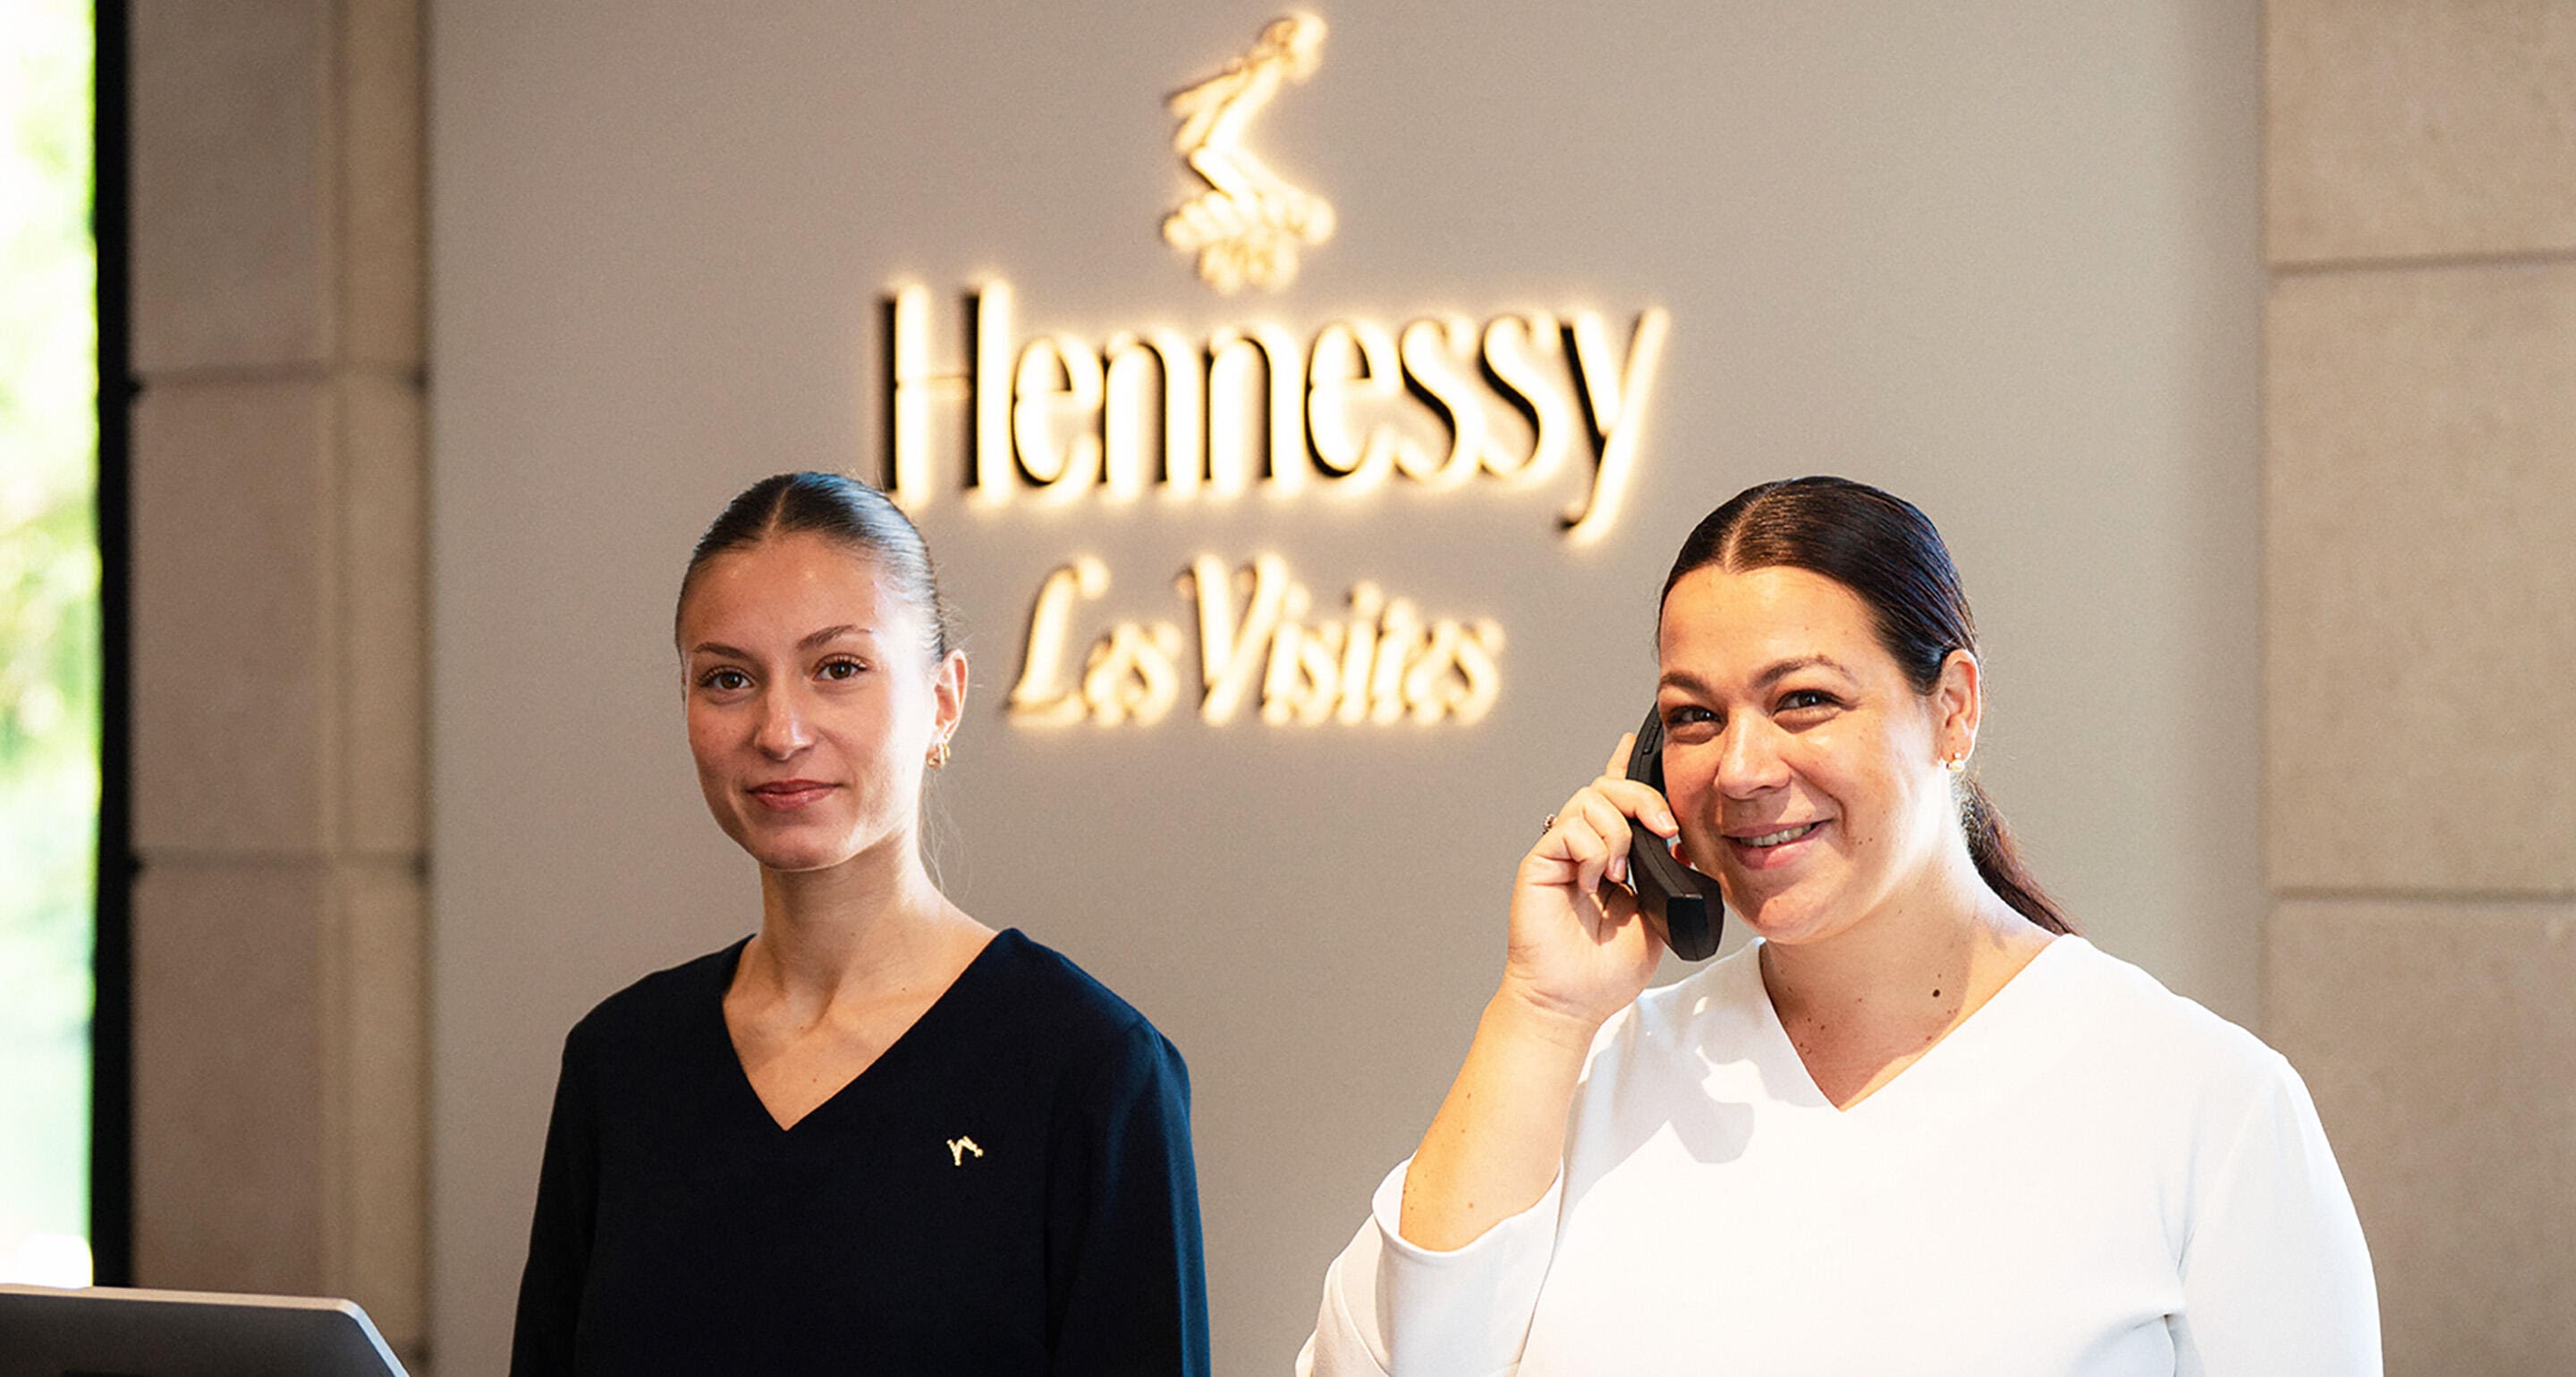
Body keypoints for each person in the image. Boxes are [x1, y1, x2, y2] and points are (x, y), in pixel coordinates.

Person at [1298, 477, 2377, 1375]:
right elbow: (1385, 1360)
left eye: (1804, 698)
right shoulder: (1591, 1077)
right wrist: (1539, 1012)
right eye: (1693, 716)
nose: (1743, 768)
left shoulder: (2202, 1104)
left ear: (1952, 706)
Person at [511, 471, 1209, 1374]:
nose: (780, 728)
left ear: (943, 700)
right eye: (728, 678)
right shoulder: (621, 1062)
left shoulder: (1089, 1067)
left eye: (837, 668)